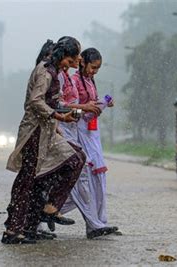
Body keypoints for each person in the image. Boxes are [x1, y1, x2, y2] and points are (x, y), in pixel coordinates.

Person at [2, 37, 86, 244]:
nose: (72, 64)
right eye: (71, 59)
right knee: (27, 179)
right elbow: (35, 101)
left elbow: (53, 102)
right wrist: (59, 116)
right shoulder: (45, 71)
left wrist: (69, 112)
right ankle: (13, 230)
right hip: (34, 133)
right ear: (62, 56)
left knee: (75, 158)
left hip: (47, 132)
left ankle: (47, 209)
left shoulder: (55, 72)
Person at [61, 47, 119, 239]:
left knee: (97, 179)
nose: (94, 71)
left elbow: (88, 105)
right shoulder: (72, 80)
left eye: (98, 69)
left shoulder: (87, 80)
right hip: (77, 132)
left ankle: (99, 222)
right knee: (84, 179)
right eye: (93, 67)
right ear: (82, 62)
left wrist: (101, 103)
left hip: (92, 132)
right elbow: (65, 107)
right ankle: (44, 213)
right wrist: (86, 108)